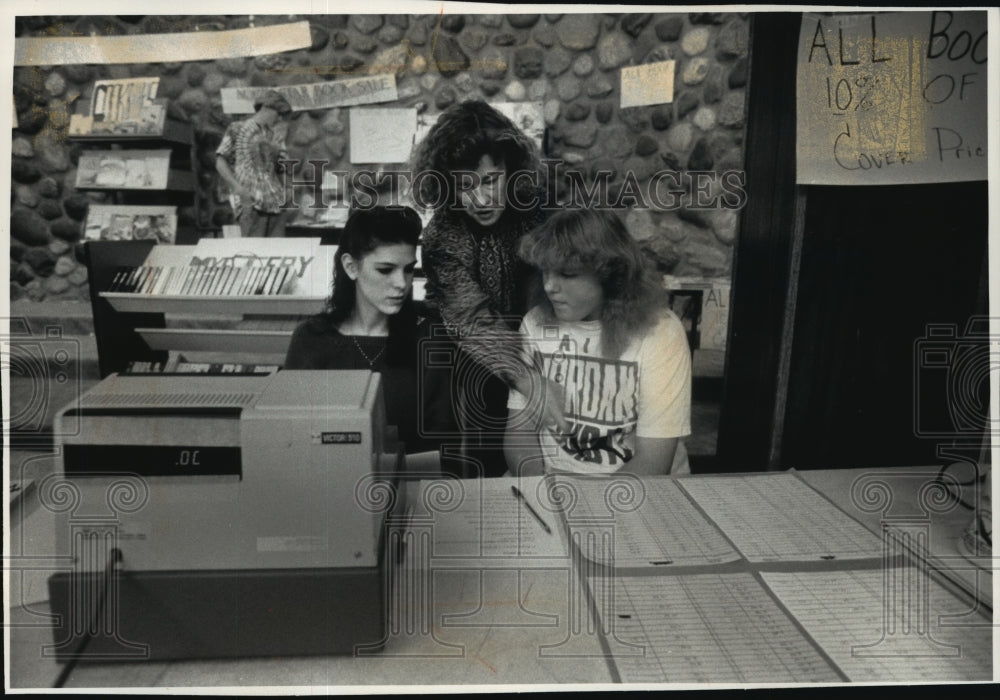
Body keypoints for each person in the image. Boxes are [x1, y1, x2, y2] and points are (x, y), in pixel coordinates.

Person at [411, 100, 565, 478]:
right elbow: (471, 321)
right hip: (467, 353)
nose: (480, 199)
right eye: (465, 186)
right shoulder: (443, 233)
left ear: (511, 170)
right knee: (482, 448)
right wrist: (530, 382)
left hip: (541, 339)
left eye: (490, 180)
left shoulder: (541, 211)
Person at [504, 208, 692, 476]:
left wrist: (587, 510)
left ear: (610, 275)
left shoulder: (661, 332)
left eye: (567, 275)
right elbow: (518, 434)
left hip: (639, 492)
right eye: (546, 272)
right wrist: (544, 491)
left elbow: (653, 462)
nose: (549, 287)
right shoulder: (534, 323)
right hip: (551, 483)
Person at [284, 206, 455, 459]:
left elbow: (441, 446)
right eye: (385, 270)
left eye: (408, 269)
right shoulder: (311, 339)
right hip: (325, 485)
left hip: (410, 489)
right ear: (351, 267)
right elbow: (291, 438)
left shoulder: (428, 338)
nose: (402, 283)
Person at [215, 89, 293, 238]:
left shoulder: (273, 135)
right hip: (251, 202)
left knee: (278, 254)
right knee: (254, 253)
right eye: (278, 114)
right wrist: (238, 188)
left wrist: (288, 188)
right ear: (267, 108)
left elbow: (282, 166)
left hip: (276, 204)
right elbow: (220, 161)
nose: (279, 120)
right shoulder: (236, 128)